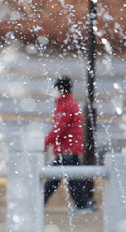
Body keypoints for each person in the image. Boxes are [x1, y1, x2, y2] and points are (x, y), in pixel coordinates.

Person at [44, 77, 95, 214]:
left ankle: (41, 201)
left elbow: (59, 128)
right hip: (69, 149)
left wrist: (45, 142)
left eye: (55, 89)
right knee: (71, 179)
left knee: (60, 179)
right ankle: (82, 205)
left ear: (60, 90)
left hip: (67, 149)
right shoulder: (68, 104)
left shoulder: (65, 105)